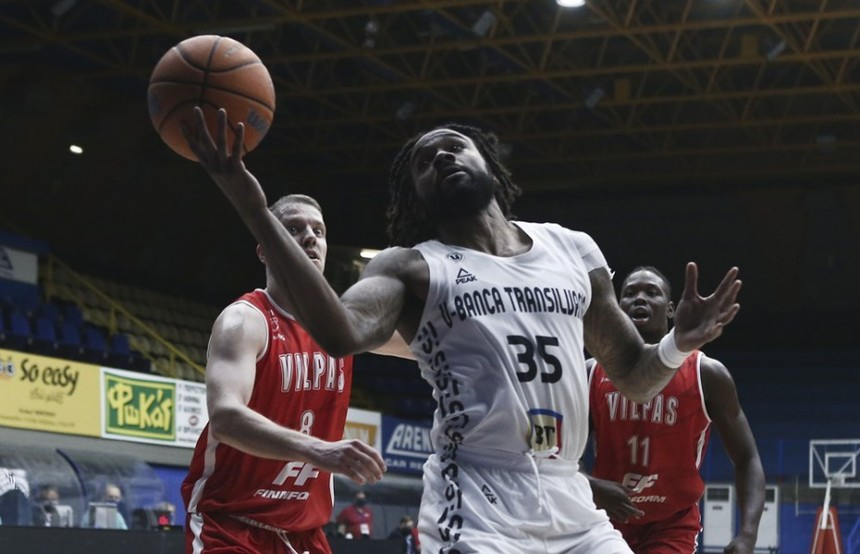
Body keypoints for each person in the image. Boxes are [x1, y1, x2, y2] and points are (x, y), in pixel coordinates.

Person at [183, 108, 742, 553]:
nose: (441, 155)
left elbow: (637, 378)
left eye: (454, 145)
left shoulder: (572, 249)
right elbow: (339, 332)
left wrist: (678, 344)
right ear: (418, 196)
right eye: (425, 161)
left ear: (490, 166)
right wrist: (250, 202)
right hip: (475, 497)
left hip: (568, 491)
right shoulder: (412, 267)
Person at [180, 191, 390, 554]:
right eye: (293, 228)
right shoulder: (245, 320)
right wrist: (318, 451)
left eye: (318, 231)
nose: (310, 237)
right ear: (264, 249)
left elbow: (432, 343)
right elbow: (225, 419)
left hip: (304, 535)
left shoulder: (345, 326)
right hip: (231, 526)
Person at [586, 266, 765, 553]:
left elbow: (748, 457)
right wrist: (590, 486)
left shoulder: (705, 373)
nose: (639, 299)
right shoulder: (592, 373)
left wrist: (747, 534)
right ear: (616, 309)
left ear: (671, 310)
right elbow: (559, 458)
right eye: (629, 293)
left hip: (671, 523)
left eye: (651, 292)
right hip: (605, 517)